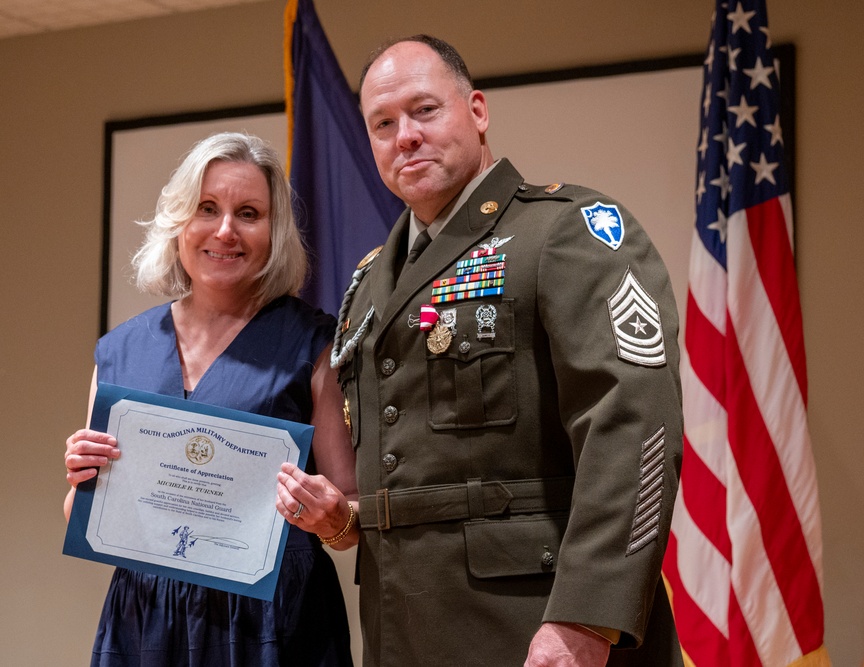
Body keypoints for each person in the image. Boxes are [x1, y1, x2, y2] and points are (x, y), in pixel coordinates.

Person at [278, 35, 684, 666]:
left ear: (477, 111)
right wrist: (342, 519)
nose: (405, 136)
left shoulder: (563, 231)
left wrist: (587, 617)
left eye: (424, 110)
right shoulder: (369, 282)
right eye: (383, 124)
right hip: (401, 633)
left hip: (537, 628)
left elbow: (633, 426)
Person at [63, 132, 357, 666]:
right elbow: (81, 518)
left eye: (249, 213)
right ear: (179, 219)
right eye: (207, 208)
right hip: (147, 620)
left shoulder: (312, 344)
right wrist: (83, 479)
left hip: (272, 621)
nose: (225, 230)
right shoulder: (121, 352)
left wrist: (329, 518)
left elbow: (349, 520)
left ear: (274, 232)